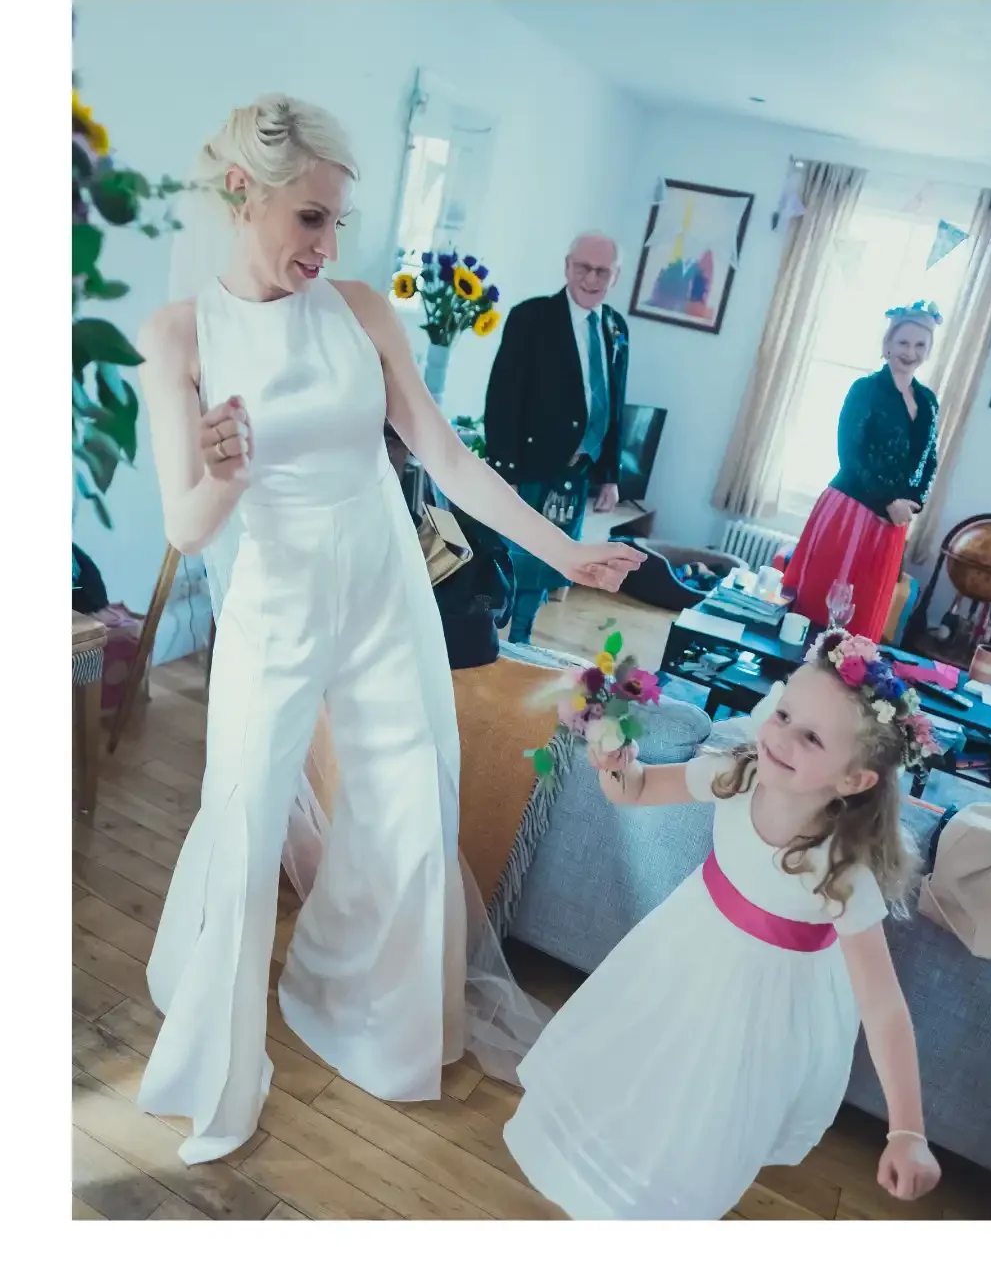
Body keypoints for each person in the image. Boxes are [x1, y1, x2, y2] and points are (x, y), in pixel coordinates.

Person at [133, 94, 645, 1166]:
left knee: (413, 799)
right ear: (245, 193)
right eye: (310, 218)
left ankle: (375, 1020)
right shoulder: (180, 334)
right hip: (274, 597)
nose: (327, 245)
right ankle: (218, 1064)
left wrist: (565, 556)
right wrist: (225, 472)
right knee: (247, 807)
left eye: (337, 223)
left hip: (381, 584)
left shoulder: (364, 311)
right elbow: (185, 521)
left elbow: (447, 461)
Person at [503, 629, 943, 1220]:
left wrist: (906, 1131)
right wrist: (613, 763)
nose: (780, 737)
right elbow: (631, 793)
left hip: (761, 1008)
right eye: (783, 713)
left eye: (810, 736)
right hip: (684, 951)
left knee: (703, 1116)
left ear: (854, 779)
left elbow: (884, 1007)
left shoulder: (843, 871)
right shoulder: (735, 775)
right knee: (641, 1066)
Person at [484, 232, 629, 644]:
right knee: (519, 559)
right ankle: (495, 641)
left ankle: (522, 641)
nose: (590, 278)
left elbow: (615, 403)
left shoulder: (616, 327)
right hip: (531, 464)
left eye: (602, 270)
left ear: (615, 276)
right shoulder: (531, 317)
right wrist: (504, 469)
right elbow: (503, 395)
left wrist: (610, 475)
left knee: (553, 563)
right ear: (567, 266)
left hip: (577, 470)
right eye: (583, 267)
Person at [782, 302, 941, 642]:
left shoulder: (928, 401)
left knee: (863, 614)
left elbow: (929, 460)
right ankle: (791, 677)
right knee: (821, 605)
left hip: (893, 520)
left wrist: (913, 504)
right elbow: (850, 455)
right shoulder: (865, 389)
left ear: (928, 350)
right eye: (903, 343)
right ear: (888, 344)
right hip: (850, 508)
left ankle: (840, 686)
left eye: (919, 345)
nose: (910, 352)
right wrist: (888, 502)